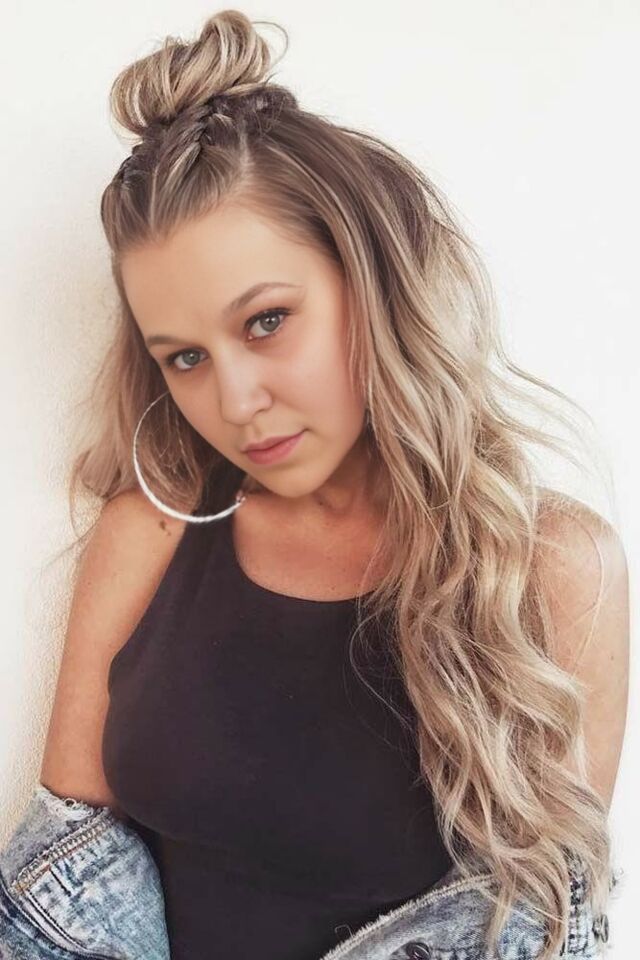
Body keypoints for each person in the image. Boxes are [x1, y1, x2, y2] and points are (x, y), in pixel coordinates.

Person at [27, 8, 628, 960]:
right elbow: (64, 878)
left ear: (372, 282)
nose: (235, 401)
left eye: (266, 321)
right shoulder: (150, 532)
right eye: (185, 357)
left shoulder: (552, 569)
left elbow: (543, 926)